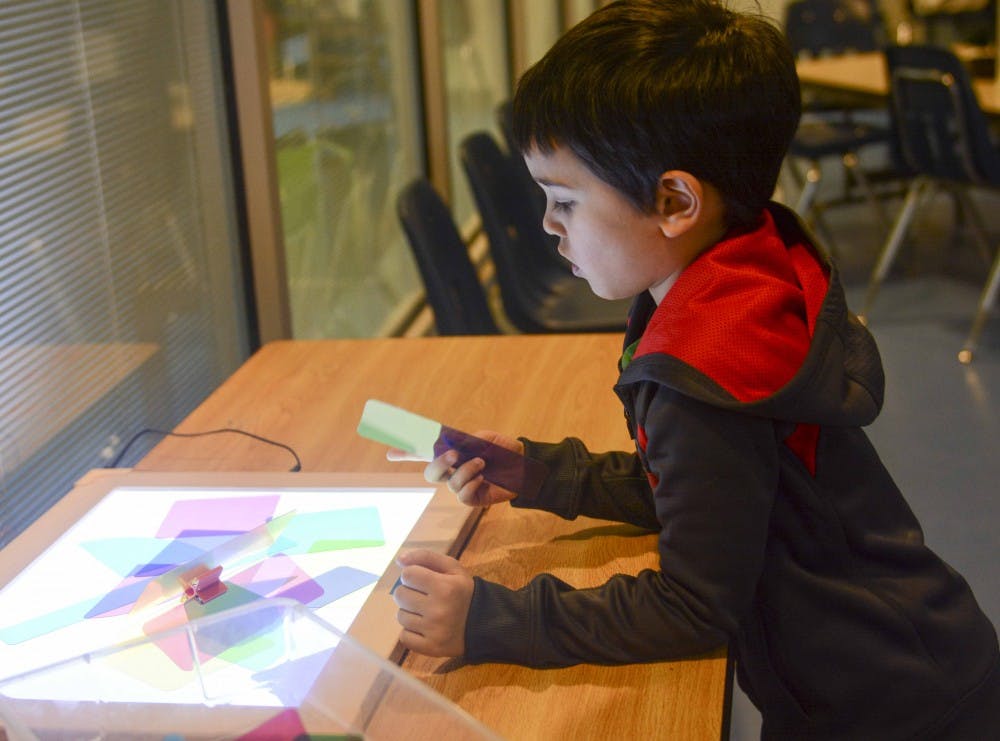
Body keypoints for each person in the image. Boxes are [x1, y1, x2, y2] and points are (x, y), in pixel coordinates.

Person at [388, 0, 1000, 737]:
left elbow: (692, 604)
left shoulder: (700, 370)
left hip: (881, 703)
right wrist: (540, 472)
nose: (548, 225)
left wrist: (490, 617)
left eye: (564, 201)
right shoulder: (738, 273)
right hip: (903, 661)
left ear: (675, 200)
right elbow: (705, 493)